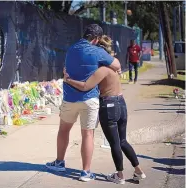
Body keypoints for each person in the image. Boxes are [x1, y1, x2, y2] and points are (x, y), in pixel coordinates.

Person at [62, 36, 146, 184]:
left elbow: (85, 86)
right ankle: (138, 170)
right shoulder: (115, 68)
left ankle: (119, 176)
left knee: (114, 143)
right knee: (123, 141)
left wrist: (67, 80)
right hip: (121, 103)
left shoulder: (103, 70)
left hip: (108, 105)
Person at [45, 24, 121, 182]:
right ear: (96, 39)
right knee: (87, 134)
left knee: (63, 130)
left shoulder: (71, 48)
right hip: (90, 99)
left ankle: (59, 162)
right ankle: (86, 172)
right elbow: (117, 65)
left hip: (69, 98)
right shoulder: (98, 51)